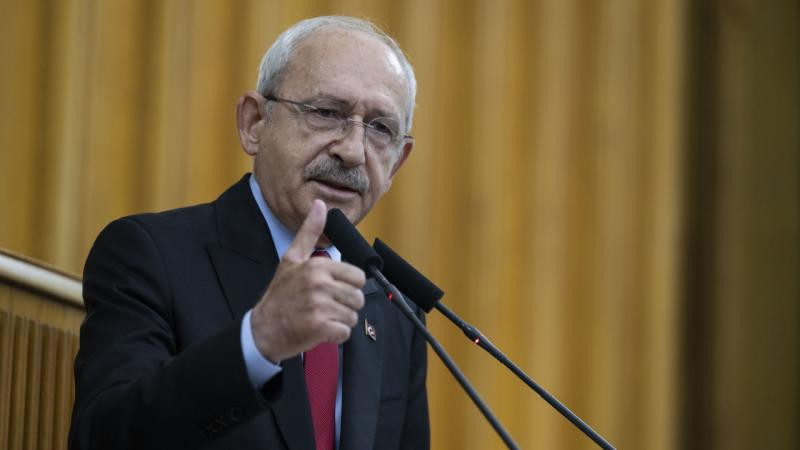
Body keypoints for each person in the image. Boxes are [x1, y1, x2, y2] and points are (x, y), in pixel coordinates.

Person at [69, 16, 429, 450]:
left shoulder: (394, 306)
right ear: (254, 123)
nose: (352, 151)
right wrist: (258, 342)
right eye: (327, 113)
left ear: (397, 162)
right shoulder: (149, 255)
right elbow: (102, 438)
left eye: (380, 129)